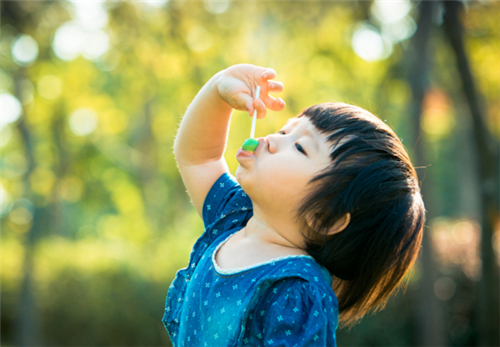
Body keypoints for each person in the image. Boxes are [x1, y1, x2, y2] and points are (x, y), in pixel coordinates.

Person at [162, 64, 425, 346]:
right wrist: (218, 89)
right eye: (285, 130)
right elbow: (199, 157)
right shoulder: (234, 216)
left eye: (300, 147)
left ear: (324, 216)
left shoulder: (295, 292)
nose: (274, 139)